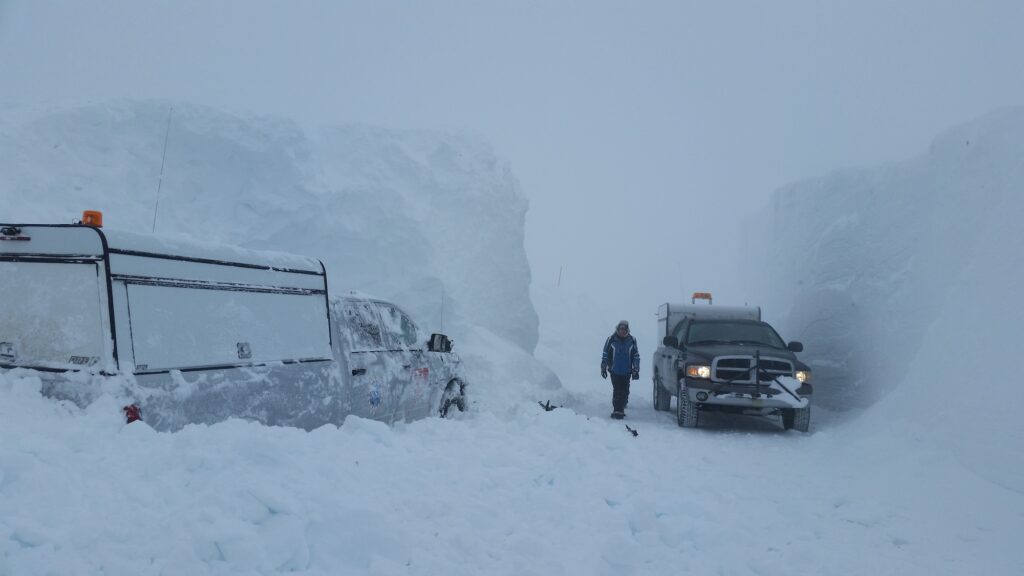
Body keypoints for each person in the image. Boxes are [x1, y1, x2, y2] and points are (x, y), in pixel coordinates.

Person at [601, 320, 640, 419]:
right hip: (614, 371)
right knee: (617, 390)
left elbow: (635, 355)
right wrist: (603, 368)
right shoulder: (611, 339)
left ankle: (622, 404)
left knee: (625, 390)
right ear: (617, 329)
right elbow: (605, 354)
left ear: (627, 330)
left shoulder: (632, 340)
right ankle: (617, 411)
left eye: (624, 329)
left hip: (627, 371)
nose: (622, 331)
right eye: (620, 329)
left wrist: (636, 369)